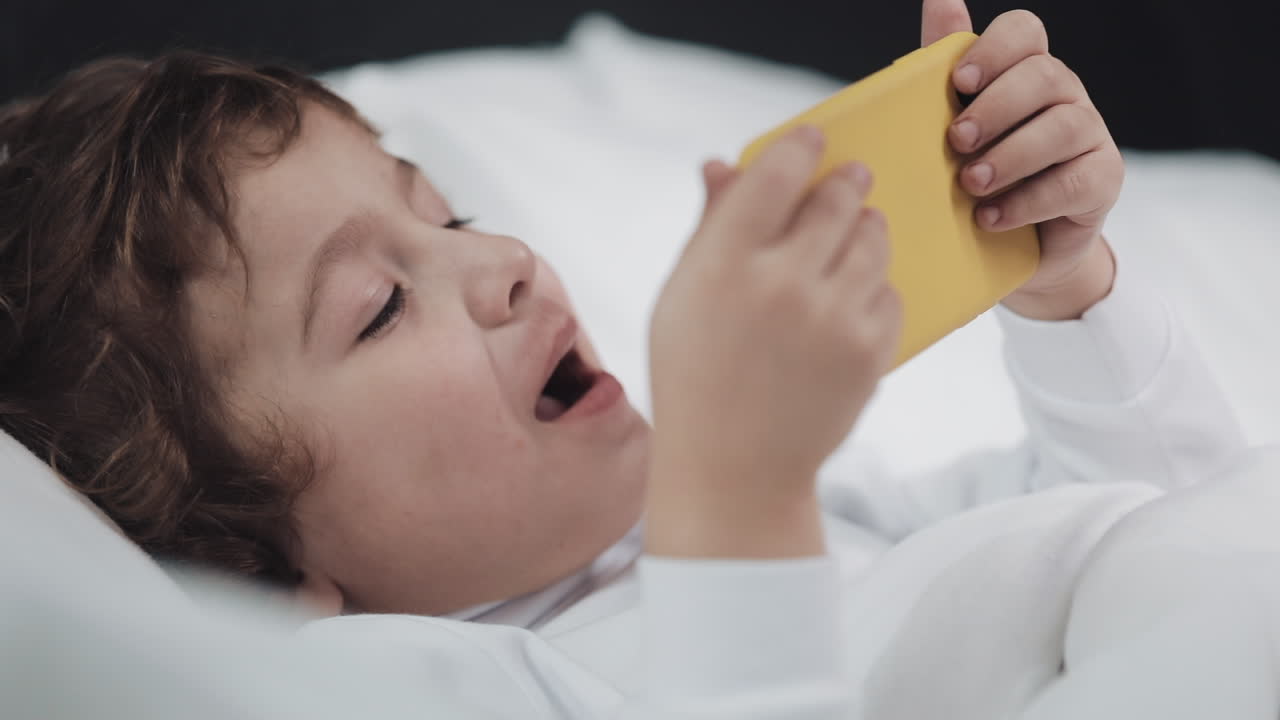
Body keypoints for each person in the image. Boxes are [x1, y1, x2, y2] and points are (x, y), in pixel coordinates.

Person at [0, 0, 1251, 716]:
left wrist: (1062, 285)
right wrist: (734, 500)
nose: (506, 268)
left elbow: (1163, 507)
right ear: (262, 572)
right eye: (380, 305)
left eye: (449, 217)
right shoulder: (430, 683)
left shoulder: (818, 516)